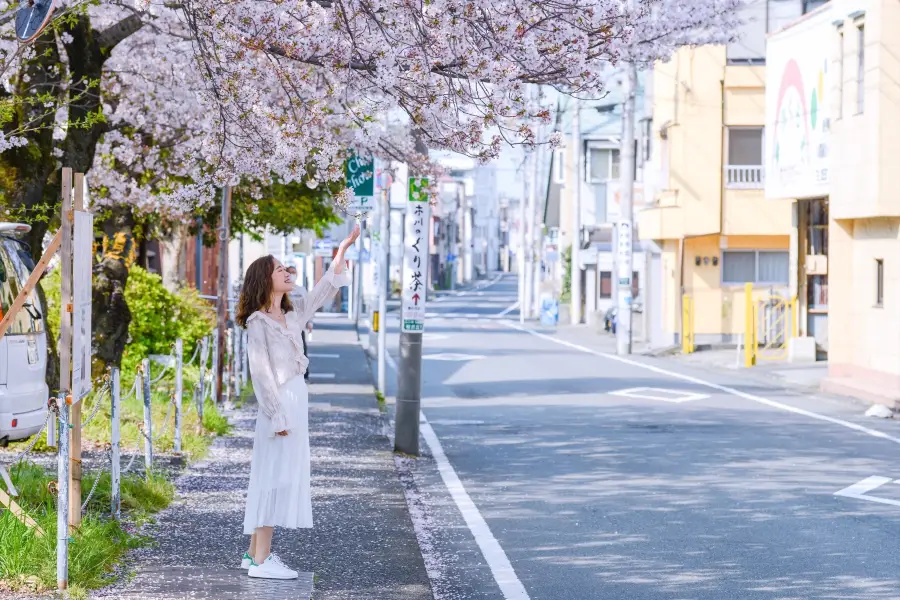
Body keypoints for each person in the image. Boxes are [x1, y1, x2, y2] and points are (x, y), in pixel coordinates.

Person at [235, 224, 359, 580]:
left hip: (293, 399)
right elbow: (260, 373)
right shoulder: (258, 323)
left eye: (287, 268)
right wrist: (276, 415)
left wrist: (342, 250)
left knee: (275, 476)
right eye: (280, 269)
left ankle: (253, 555)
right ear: (264, 279)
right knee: (272, 478)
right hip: (279, 404)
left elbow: (322, 291)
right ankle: (262, 560)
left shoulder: (291, 316)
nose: (288, 273)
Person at [285, 266, 313, 383]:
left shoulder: (301, 290)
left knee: (300, 350)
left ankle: (303, 373)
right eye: (290, 272)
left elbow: (308, 308)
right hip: (284, 326)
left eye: (294, 273)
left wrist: (310, 322)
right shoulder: (282, 290)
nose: (292, 275)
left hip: (298, 325)